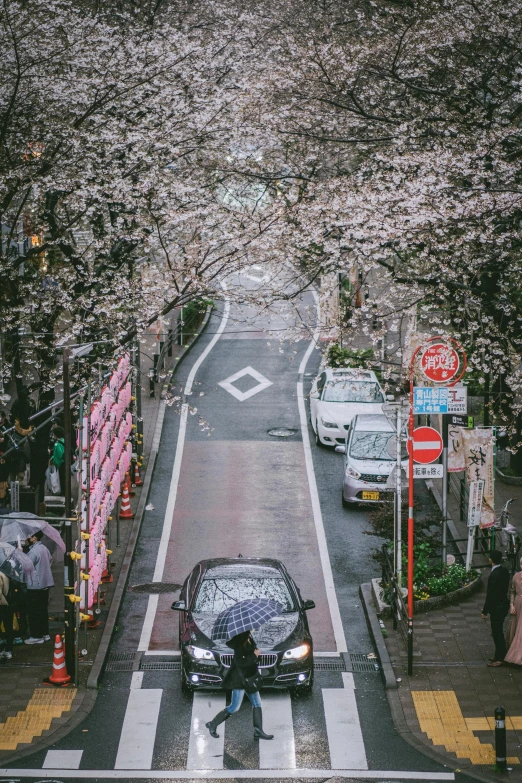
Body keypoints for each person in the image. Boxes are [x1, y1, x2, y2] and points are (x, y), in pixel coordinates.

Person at [206, 630, 273, 741]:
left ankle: (258, 731)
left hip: (249, 677)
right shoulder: (239, 642)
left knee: (257, 703)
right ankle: (212, 724)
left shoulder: (249, 638)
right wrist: (254, 655)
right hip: (240, 679)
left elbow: (251, 657)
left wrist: (257, 655)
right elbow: (240, 662)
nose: (253, 626)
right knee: (235, 707)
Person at [481, 549, 510, 666]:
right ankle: (498, 654)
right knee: (498, 631)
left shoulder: (494, 575)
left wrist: (484, 611)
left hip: (496, 607)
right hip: (503, 605)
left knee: (497, 632)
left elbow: (491, 595)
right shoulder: (504, 572)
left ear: (490, 559)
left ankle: (500, 657)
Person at [24, 531, 53, 644]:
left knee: (33, 611)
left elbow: (26, 566)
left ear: (34, 538)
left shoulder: (33, 552)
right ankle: (45, 633)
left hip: (34, 585)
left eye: (29, 536)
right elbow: (50, 560)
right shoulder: (44, 548)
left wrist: (21, 554)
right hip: (45, 584)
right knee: (42, 610)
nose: (27, 539)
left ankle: (36, 635)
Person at [504, 558, 522, 665]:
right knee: (516, 628)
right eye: (521, 564)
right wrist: (511, 605)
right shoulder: (516, 576)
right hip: (518, 602)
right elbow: (512, 591)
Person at [0, 570, 14, 661]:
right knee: (8, 626)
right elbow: (6, 590)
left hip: (2, 604)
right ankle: (8, 649)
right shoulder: (4, 574)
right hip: (7, 604)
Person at [49, 425, 65, 496]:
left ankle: (61, 493)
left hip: (60, 465)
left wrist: (54, 462)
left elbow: (59, 455)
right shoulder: (64, 441)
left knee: (60, 479)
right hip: (64, 463)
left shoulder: (57, 444)